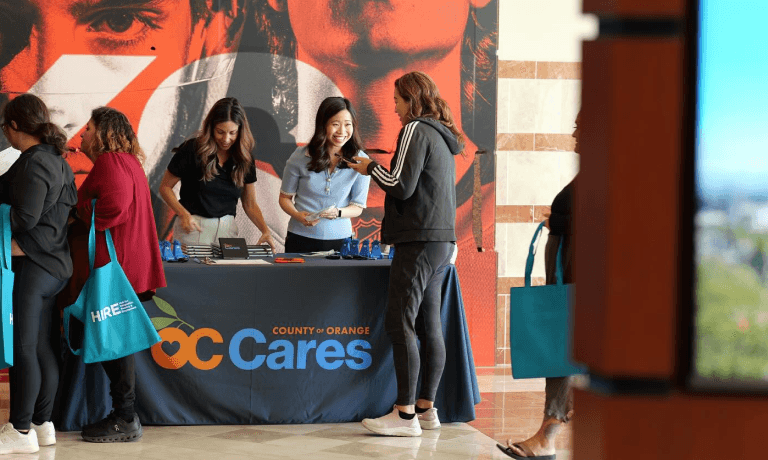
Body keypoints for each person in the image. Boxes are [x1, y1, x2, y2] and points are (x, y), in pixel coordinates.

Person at [348, 71, 462, 437]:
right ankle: (427, 408)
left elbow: (400, 185)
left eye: (397, 101)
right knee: (429, 325)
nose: (395, 110)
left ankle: (404, 414)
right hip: (442, 242)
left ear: (411, 100)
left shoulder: (415, 129)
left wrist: (370, 168)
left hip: (418, 242)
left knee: (400, 322)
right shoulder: (444, 137)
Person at [72, 106, 166, 442]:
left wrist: (77, 210)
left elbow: (114, 208)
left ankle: (125, 418)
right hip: (130, 266)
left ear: (102, 133)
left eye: (87, 128)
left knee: (118, 343)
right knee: (119, 341)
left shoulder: (110, 163)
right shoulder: (128, 161)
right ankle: (123, 415)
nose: (81, 134)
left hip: (118, 269)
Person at [497, 112, 581, 460]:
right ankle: (549, 431)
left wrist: (560, 220)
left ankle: (548, 435)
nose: (574, 131)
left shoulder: (612, 165)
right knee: (560, 344)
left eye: (581, 124)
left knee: (559, 343)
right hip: (566, 263)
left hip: (574, 267)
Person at [0, 94, 77, 454]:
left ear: (14, 127)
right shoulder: (54, 160)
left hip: (34, 268)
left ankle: (19, 430)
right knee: (43, 347)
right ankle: (41, 425)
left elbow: (24, 218)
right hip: (54, 268)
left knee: (24, 348)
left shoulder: (34, 163)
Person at [159, 97, 275, 250]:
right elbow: (165, 187)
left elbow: (250, 204)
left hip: (228, 232)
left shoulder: (245, 158)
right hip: (193, 229)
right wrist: (183, 214)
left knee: (227, 274)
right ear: (211, 127)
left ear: (240, 131)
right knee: (192, 274)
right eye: (220, 132)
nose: (226, 139)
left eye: (232, 133)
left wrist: (265, 230)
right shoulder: (192, 149)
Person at [279, 97, 370, 253]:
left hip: (341, 240)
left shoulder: (361, 161)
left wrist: (338, 213)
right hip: (300, 237)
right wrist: (297, 215)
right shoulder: (300, 156)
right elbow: (284, 198)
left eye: (348, 125)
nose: (342, 131)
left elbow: (357, 207)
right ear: (323, 125)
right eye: (335, 124)